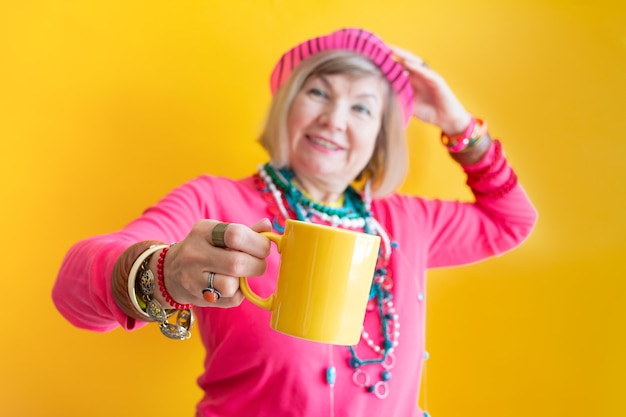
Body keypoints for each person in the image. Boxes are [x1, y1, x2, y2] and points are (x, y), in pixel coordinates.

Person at [52, 28, 537, 417]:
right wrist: (162, 271)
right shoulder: (217, 201)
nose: (334, 119)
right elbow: (72, 288)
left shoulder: (407, 222)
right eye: (318, 92)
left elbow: (511, 222)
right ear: (287, 105)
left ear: (381, 138)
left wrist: (459, 125)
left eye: (362, 107)